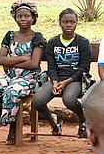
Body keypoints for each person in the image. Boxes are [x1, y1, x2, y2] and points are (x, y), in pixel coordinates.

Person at [0, 0, 45, 147]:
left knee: (12, 92)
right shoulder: (9, 35)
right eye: (20, 16)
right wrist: (23, 57)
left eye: (27, 16)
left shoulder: (37, 37)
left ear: (33, 18)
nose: (23, 19)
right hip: (10, 76)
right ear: (15, 18)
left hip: (30, 78)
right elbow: (0, 60)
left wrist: (10, 61)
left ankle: (13, 130)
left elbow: (34, 64)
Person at [32, 8, 91, 138]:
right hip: (56, 79)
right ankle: (54, 121)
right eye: (65, 22)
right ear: (60, 23)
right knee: (37, 101)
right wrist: (55, 82)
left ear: (77, 23)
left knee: (69, 100)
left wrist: (65, 82)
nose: (69, 25)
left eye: (72, 22)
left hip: (74, 79)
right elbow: (51, 67)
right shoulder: (53, 43)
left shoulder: (83, 42)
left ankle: (83, 120)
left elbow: (84, 69)